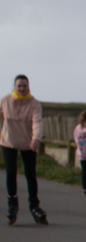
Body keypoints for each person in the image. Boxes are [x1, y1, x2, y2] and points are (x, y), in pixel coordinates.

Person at [1, 75, 47, 225]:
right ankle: (12, 202)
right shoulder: (5, 101)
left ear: (28, 87)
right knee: (11, 171)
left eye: (24, 86)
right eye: (19, 86)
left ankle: (34, 204)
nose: (21, 88)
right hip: (8, 141)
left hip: (28, 143)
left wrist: (36, 139)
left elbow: (37, 122)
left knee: (30, 173)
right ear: (14, 87)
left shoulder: (34, 104)